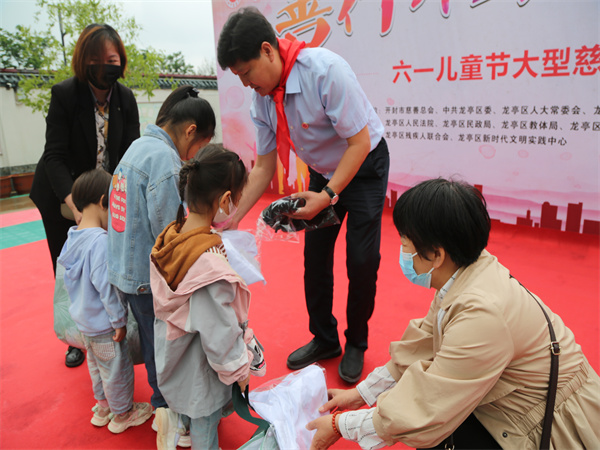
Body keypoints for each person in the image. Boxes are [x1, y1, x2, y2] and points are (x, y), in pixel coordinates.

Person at [306, 178, 600, 450]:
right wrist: (361, 394)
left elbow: (428, 407)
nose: (402, 251)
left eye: (405, 243)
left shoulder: (482, 313)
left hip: (546, 424)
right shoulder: (465, 273)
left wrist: (339, 425)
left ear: (436, 254)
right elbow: (422, 344)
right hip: (512, 402)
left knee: (435, 436)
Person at [217, 6, 390, 383]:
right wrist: (231, 219)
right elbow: (263, 167)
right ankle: (325, 339)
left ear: (267, 50)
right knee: (315, 258)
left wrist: (326, 196)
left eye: (246, 72)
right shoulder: (262, 99)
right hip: (323, 172)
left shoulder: (325, 71)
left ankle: (356, 342)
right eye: (238, 77)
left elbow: (359, 143)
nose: (245, 84)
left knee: (362, 259)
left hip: (364, 166)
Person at [107, 85, 215, 447]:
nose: (195, 155)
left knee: (154, 345)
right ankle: (172, 416)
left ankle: (162, 406)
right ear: (190, 131)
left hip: (125, 269)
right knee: (165, 349)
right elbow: (170, 234)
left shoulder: (138, 147)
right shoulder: (165, 162)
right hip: (146, 276)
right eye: (200, 146)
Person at [30, 23, 140, 368]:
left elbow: (129, 155)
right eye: (95, 60)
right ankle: (75, 337)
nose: (105, 66)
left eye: (112, 59)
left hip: (104, 196)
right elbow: (54, 157)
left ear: (121, 61)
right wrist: (76, 209)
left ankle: (110, 327)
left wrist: (119, 202)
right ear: (83, 61)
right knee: (71, 268)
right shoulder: (65, 94)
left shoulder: (125, 99)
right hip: (61, 194)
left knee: (105, 263)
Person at [150, 145, 254, 450]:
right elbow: (219, 330)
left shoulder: (172, 235)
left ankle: (177, 423)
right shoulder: (208, 266)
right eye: (237, 199)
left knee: (187, 403)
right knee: (205, 420)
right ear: (224, 200)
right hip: (199, 365)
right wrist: (239, 371)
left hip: (173, 350)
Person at [56, 169, 153, 434]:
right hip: (104, 326)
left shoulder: (72, 237)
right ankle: (123, 414)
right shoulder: (99, 242)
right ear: (103, 201)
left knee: (97, 366)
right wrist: (118, 321)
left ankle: (103, 407)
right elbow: (106, 288)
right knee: (116, 369)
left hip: (84, 323)